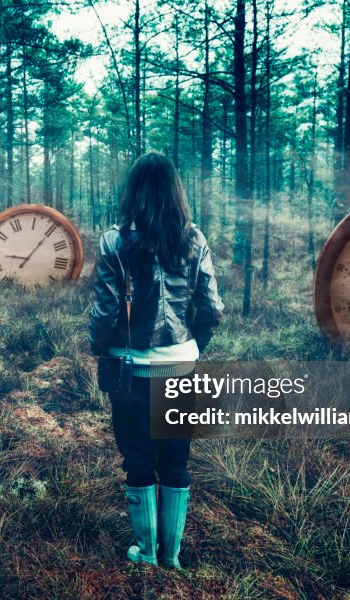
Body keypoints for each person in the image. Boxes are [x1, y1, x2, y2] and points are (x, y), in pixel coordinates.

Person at [89, 151, 224, 569]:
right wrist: (193, 347)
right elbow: (212, 308)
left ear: (133, 192)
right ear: (175, 192)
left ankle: (147, 553)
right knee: (176, 461)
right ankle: (173, 556)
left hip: (131, 370)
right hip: (181, 368)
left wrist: (101, 345)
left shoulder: (114, 241)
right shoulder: (195, 239)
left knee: (139, 461)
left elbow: (105, 312)